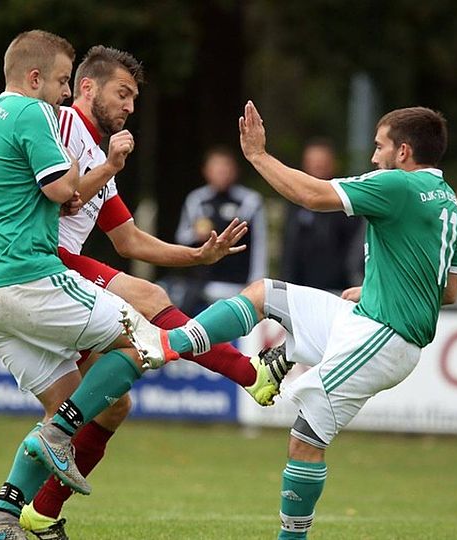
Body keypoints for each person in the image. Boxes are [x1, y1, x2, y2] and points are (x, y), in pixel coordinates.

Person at [135, 102, 457, 539]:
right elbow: (448, 291)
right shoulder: (449, 202)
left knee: (305, 439)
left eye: (379, 146)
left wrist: (258, 157)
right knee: (264, 293)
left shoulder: (397, 185)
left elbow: (313, 195)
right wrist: (377, 287)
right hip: (368, 318)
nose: (373, 157)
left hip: (384, 338)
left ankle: (292, 537)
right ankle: (178, 344)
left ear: (403, 152)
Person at [19, 46, 288, 540]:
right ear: (86, 87)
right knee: (144, 296)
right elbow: (48, 201)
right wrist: (109, 167)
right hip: (37, 264)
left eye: (134, 99)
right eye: (122, 94)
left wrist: (198, 256)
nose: (129, 107)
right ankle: (249, 372)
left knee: (109, 406)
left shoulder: (98, 153)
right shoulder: (58, 126)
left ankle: (35, 516)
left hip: (57, 272)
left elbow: (128, 239)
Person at [0, 31, 177, 540]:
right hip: (28, 276)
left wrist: (77, 188)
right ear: (34, 78)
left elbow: (54, 197)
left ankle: (1, 521)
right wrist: (108, 166)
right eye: (61, 80)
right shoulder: (32, 113)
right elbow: (62, 191)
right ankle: (55, 437)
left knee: (76, 404)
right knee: (142, 340)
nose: (64, 92)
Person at [175, 146, 268, 306]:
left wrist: (257, 280)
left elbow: (260, 243)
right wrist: (196, 235)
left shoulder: (250, 201)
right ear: (206, 171)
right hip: (202, 286)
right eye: (217, 169)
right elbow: (181, 238)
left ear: (235, 171)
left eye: (226, 169)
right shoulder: (197, 199)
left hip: (239, 286)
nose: (222, 173)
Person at [280, 139, 363, 291]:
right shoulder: (294, 201)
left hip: (339, 287)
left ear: (333, 163)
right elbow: (289, 246)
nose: (318, 166)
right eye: (313, 161)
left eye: (322, 161)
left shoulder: (345, 200)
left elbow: (355, 248)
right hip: (300, 285)